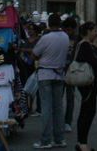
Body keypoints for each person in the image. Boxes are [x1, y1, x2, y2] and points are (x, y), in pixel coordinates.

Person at [33, 13, 70, 150]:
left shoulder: (45, 38)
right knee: (58, 108)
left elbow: (35, 54)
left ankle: (45, 140)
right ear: (60, 23)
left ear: (48, 23)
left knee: (46, 109)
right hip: (59, 75)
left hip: (45, 74)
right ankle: (59, 139)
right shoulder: (66, 37)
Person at [73, 21, 97, 151]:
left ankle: (82, 142)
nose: (96, 33)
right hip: (88, 83)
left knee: (88, 110)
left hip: (89, 83)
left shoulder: (85, 45)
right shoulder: (85, 45)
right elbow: (96, 62)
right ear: (89, 31)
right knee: (88, 111)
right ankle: (82, 142)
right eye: (95, 30)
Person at [63, 17, 79, 134]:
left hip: (71, 70)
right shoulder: (60, 38)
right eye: (66, 29)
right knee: (58, 98)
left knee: (70, 98)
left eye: (70, 30)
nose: (68, 32)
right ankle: (58, 121)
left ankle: (68, 122)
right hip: (59, 70)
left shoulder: (77, 39)